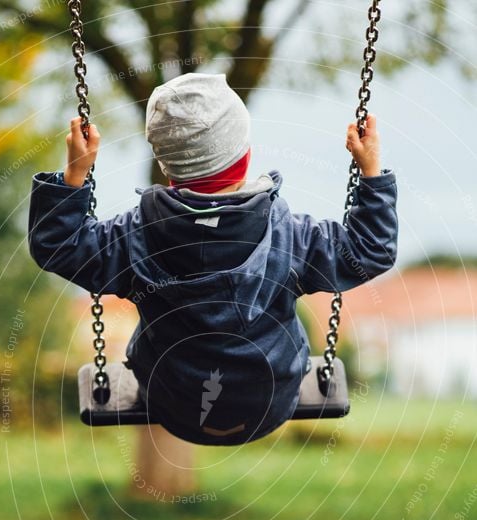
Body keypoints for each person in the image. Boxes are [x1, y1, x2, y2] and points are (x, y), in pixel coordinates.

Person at [28, 73, 397, 445]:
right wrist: (370, 172)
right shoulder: (291, 237)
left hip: (173, 403)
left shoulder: (132, 237)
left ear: (166, 163)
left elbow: (58, 247)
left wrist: (75, 174)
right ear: (245, 154)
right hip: (269, 402)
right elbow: (370, 250)